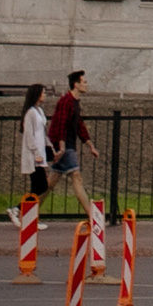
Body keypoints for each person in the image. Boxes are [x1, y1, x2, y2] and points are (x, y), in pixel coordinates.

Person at [49, 70, 98, 222]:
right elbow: (61, 124)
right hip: (64, 146)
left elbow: (79, 125)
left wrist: (90, 145)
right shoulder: (66, 101)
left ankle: (23, 210)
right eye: (84, 82)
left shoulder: (75, 102)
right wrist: (62, 146)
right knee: (76, 177)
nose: (87, 85)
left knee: (50, 182)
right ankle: (92, 216)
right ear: (76, 85)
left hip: (66, 145)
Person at [17, 83, 53, 211]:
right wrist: (36, 153)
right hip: (34, 155)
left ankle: (26, 216)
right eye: (43, 92)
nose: (45, 95)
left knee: (37, 187)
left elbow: (42, 133)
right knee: (41, 186)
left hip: (40, 153)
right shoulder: (30, 113)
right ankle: (18, 210)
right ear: (37, 94)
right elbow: (29, 135)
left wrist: (50, 147)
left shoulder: (39, 111)